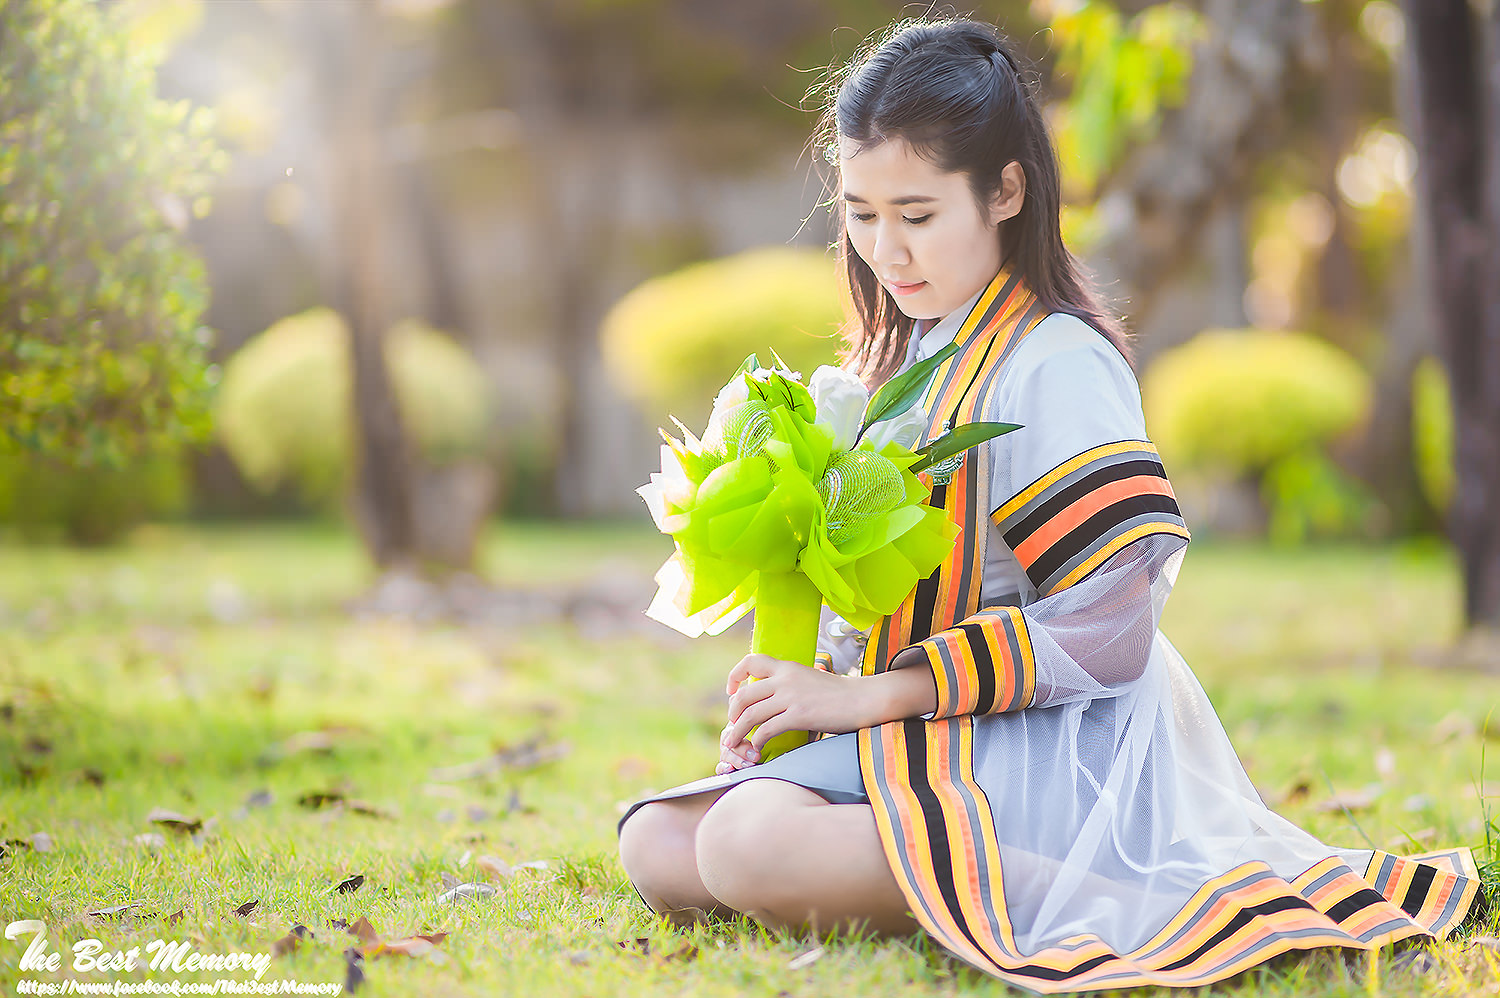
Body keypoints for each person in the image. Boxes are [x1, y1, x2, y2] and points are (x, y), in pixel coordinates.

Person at [616, 16, 1482, 993]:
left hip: (1034, 732)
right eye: (860, 213)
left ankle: (1119, 891)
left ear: (1005, 191)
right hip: (917, 723)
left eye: (917, 212)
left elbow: (1113, 629)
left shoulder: (1053, 360)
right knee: (657, 841)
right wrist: (808, 681)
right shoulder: (901, 353)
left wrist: (872, 694)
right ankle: (928, 857)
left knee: (745, 847)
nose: (886, 250)